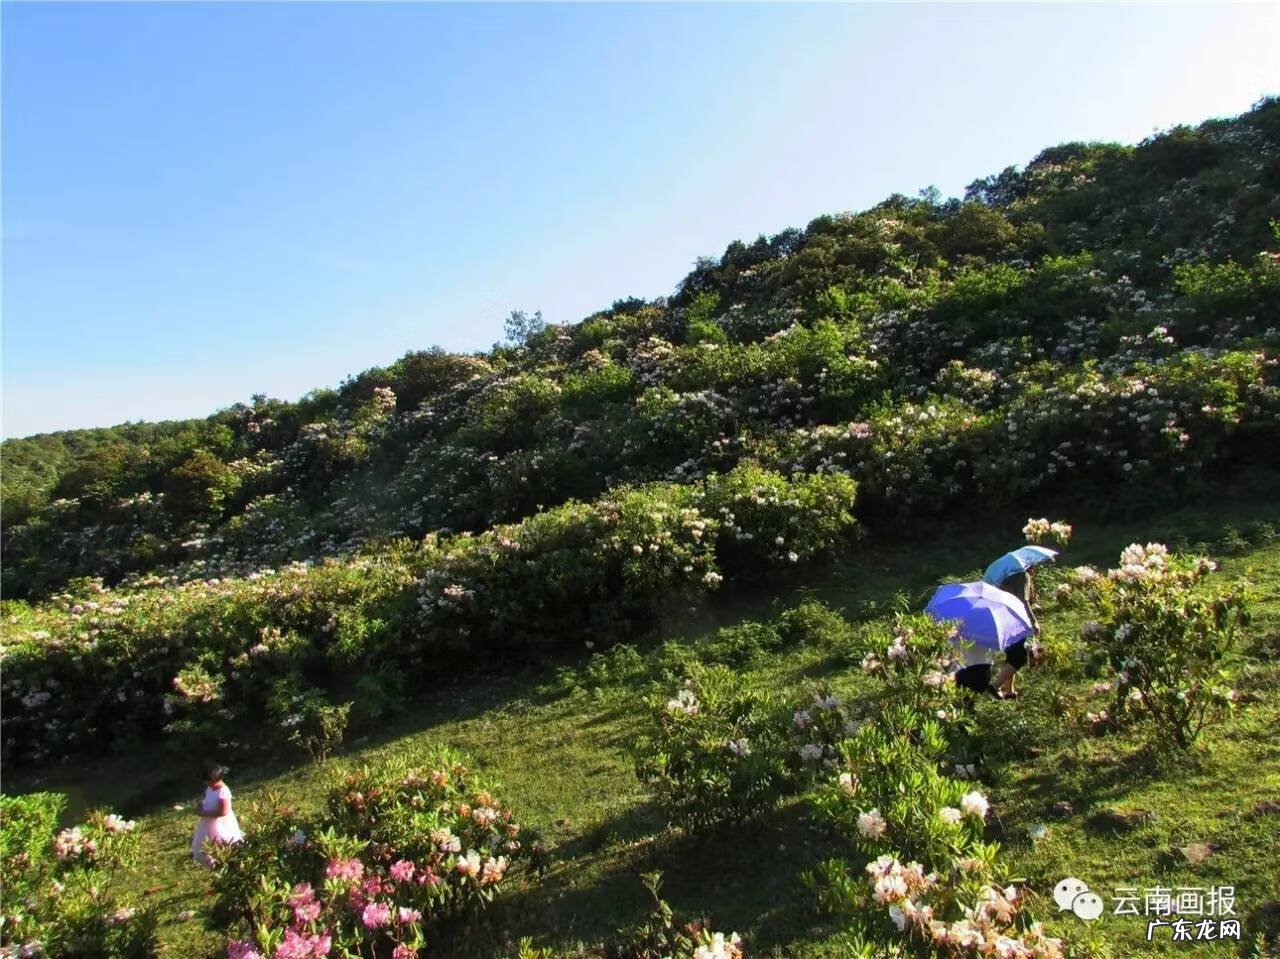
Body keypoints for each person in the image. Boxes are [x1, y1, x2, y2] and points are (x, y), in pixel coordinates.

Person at [993, 570, 1040, 699]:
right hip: (1017, 620)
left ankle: (1009, 691)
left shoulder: (1006, 576)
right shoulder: (1022, 575)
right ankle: (994, 686)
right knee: (1020, 656)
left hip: (1004, 617)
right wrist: (1033, 621)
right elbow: (1023, 600)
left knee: (1012, 655)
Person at [191, 762, 243, 867]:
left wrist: (204, 813)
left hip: (221, 824)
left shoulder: (223, 791)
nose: (207, 783)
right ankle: (214, 865)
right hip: (207, 824)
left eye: (209, 781)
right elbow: (207, 800)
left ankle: (233, 863)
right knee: (200, 848)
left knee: (226, 844)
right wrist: (201, 806)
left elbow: (223, 811)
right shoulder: (209, 789)